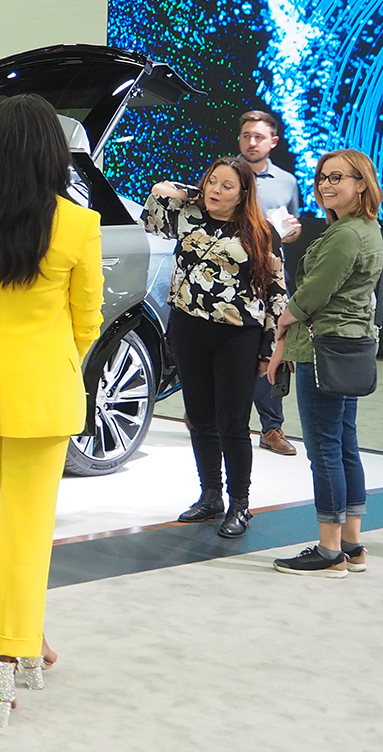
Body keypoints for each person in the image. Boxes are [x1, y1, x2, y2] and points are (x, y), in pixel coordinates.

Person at [0, 94, 102, 726]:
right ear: (53, 154)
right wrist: (51, 358)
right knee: (27, 532)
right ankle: (7, 658)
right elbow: (87, 322)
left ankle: (28, 637)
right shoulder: (78, 226)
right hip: (44, 391)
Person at [144, 158, 287, 539]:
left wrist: (270, 348)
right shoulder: (188, 218)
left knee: (232, 424)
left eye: (227, 186)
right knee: (200, 417)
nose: (216, 191)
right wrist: (192, 192)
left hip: (237, 335)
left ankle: (240, 503)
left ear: (244, 194)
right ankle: (211, 495)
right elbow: (157, 201)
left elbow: (275, 292)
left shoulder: (260, 232)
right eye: (211, 182)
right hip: (189, 330)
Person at [268, 149, 383, 578]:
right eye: (322, 177)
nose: (326, 184)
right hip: (345, 347)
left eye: (338, 177)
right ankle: (351, 543)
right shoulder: (364, 229)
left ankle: (329, 549)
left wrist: (282, 323)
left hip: (323, 349)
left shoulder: (347, 235)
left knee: (325, 450)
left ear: (361, 183)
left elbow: (314, 293)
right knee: (343, 444)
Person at [238, 110, 302, 457]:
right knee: (228, 348)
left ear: (273, 142)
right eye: (246, 135)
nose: (251, 142)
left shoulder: (287, 182)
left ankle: (271, 428)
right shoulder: (224, 175)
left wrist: (291, 234)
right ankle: (214, 414)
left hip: (272, 280)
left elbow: (289, 231)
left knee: (273, 350)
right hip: (229, 280)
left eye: (258, 137)